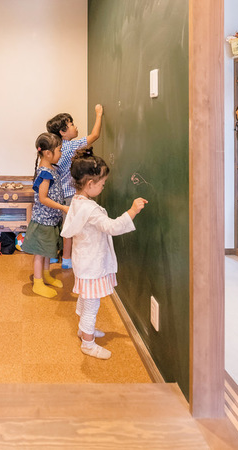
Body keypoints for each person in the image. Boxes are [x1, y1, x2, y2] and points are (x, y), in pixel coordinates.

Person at [61, 147, 147, 359]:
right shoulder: (90, 210)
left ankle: (83, 330)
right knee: (92, 304)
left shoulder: (77, 201)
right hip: (92, 265)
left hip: (84, 262)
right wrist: (132, 211)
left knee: (85, 297)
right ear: (90, 184)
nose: (103, 187)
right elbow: (113, 227)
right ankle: (88, 343)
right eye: (102, 184)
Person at [46, 104, 104, 269]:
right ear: (63, 132)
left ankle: (51, 256)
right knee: (68, 227)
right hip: (69, 194)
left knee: (56, 225)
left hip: (55, 193)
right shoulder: (70, 147)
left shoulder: (55, 149)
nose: (75, 127)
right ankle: (66, 260)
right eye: (72, 124)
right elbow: (95, 135)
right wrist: (98, 114)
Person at [21, 132, 69, 298]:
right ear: (48, 153)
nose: (61, 153)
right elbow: (43, 198)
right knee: (40, 253)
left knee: (49, 249)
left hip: (51, 219)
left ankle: (46, 275)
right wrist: (62, 208)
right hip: (44, 221)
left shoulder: (51, 168)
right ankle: (38, 282)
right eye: (59, 150)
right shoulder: (45, 173)